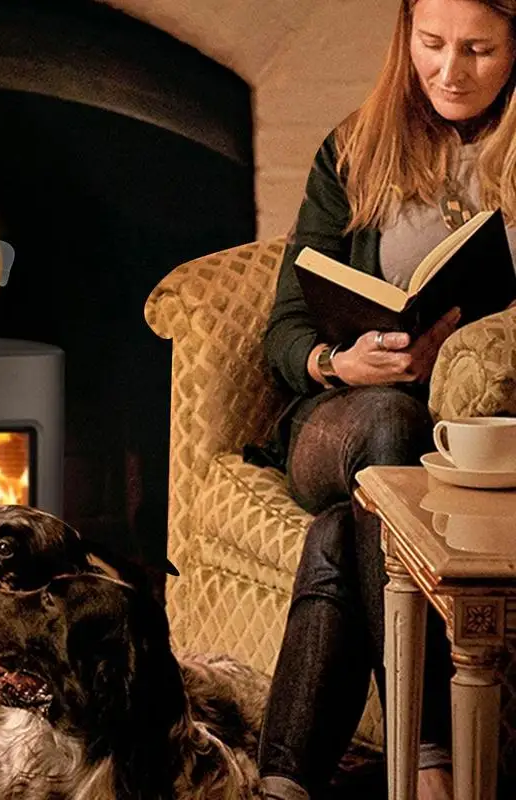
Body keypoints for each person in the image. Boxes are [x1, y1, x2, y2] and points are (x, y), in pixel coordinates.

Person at [256, 1, 516, 799]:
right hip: (338, 414)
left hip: (465, 435)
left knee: (342, 534)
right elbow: (286, 324)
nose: (449, 70)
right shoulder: (354, 144)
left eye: (478, 49)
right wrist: (341, 361)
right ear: (404, 35)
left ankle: (282, 781)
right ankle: (432, 751)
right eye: (431, 44)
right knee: (388, 421)